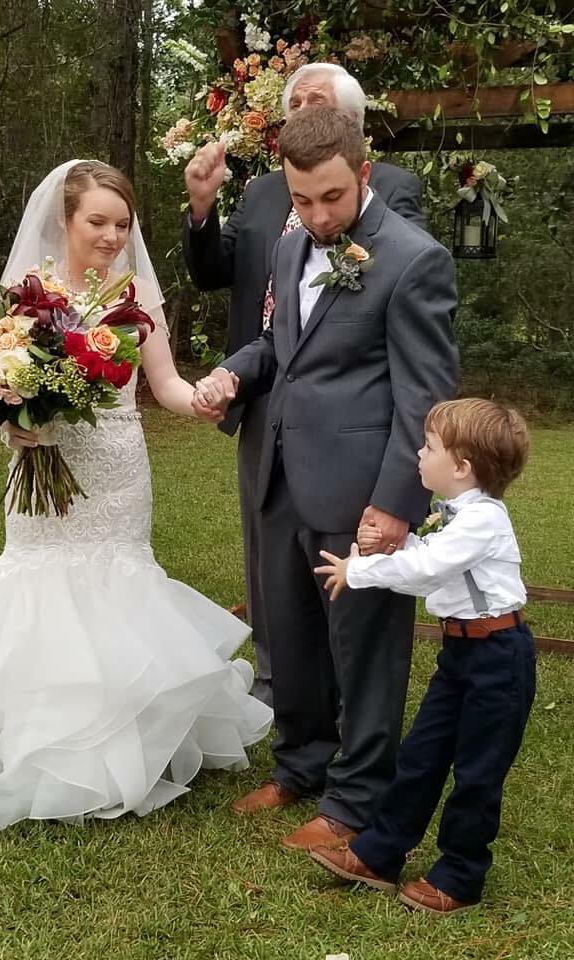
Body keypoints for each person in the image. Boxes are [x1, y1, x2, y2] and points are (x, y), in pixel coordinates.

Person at [0, 160, 272, 833]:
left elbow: (165, 384)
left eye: (123, 224)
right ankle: (31, 739)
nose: (112, 236)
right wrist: (14, 424)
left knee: (119, 583)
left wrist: (204, 397)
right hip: (42, 463)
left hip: (116, 466)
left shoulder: (136, 292)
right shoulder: (26, 294)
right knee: (35, 584)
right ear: (66, 219)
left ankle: (120, 740)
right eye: (98, 222)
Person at [192, 107, 459, 851]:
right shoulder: (289, 248)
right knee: (289, 634)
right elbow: (279, 346)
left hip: (359, 492)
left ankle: (357, 799)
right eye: (302, 199)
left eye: (333, 197)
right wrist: (232, 373)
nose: (317, 216)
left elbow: (425, 397)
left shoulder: (414, 260)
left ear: (364, 174)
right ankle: (301, 764)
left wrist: (397, 504)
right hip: (279, 473)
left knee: (364, 649)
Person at [182, 63, 426, 706]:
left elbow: (403, 311)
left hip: (352, 434)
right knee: (276, 572)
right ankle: (283, 699)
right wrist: (201, 209)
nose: (315, 215)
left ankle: (351, 733)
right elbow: (226, 281)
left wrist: (399, 496)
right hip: (268, 409)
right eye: (296, 102)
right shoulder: (268, 201)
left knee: (350, 594)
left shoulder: (395, 205)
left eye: (318, 101)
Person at [310, 398, 535, 915]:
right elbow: (428, 564)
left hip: (498, 658)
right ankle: (378, 853)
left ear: (461, 467)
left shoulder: (484, 520)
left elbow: (428, 569)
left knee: (478, 771)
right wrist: (390, 547)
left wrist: (357, 570)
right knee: (420, 755)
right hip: (460, 653)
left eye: (429, 447)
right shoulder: (458, 519)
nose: (419, 453)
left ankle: (460, 875)